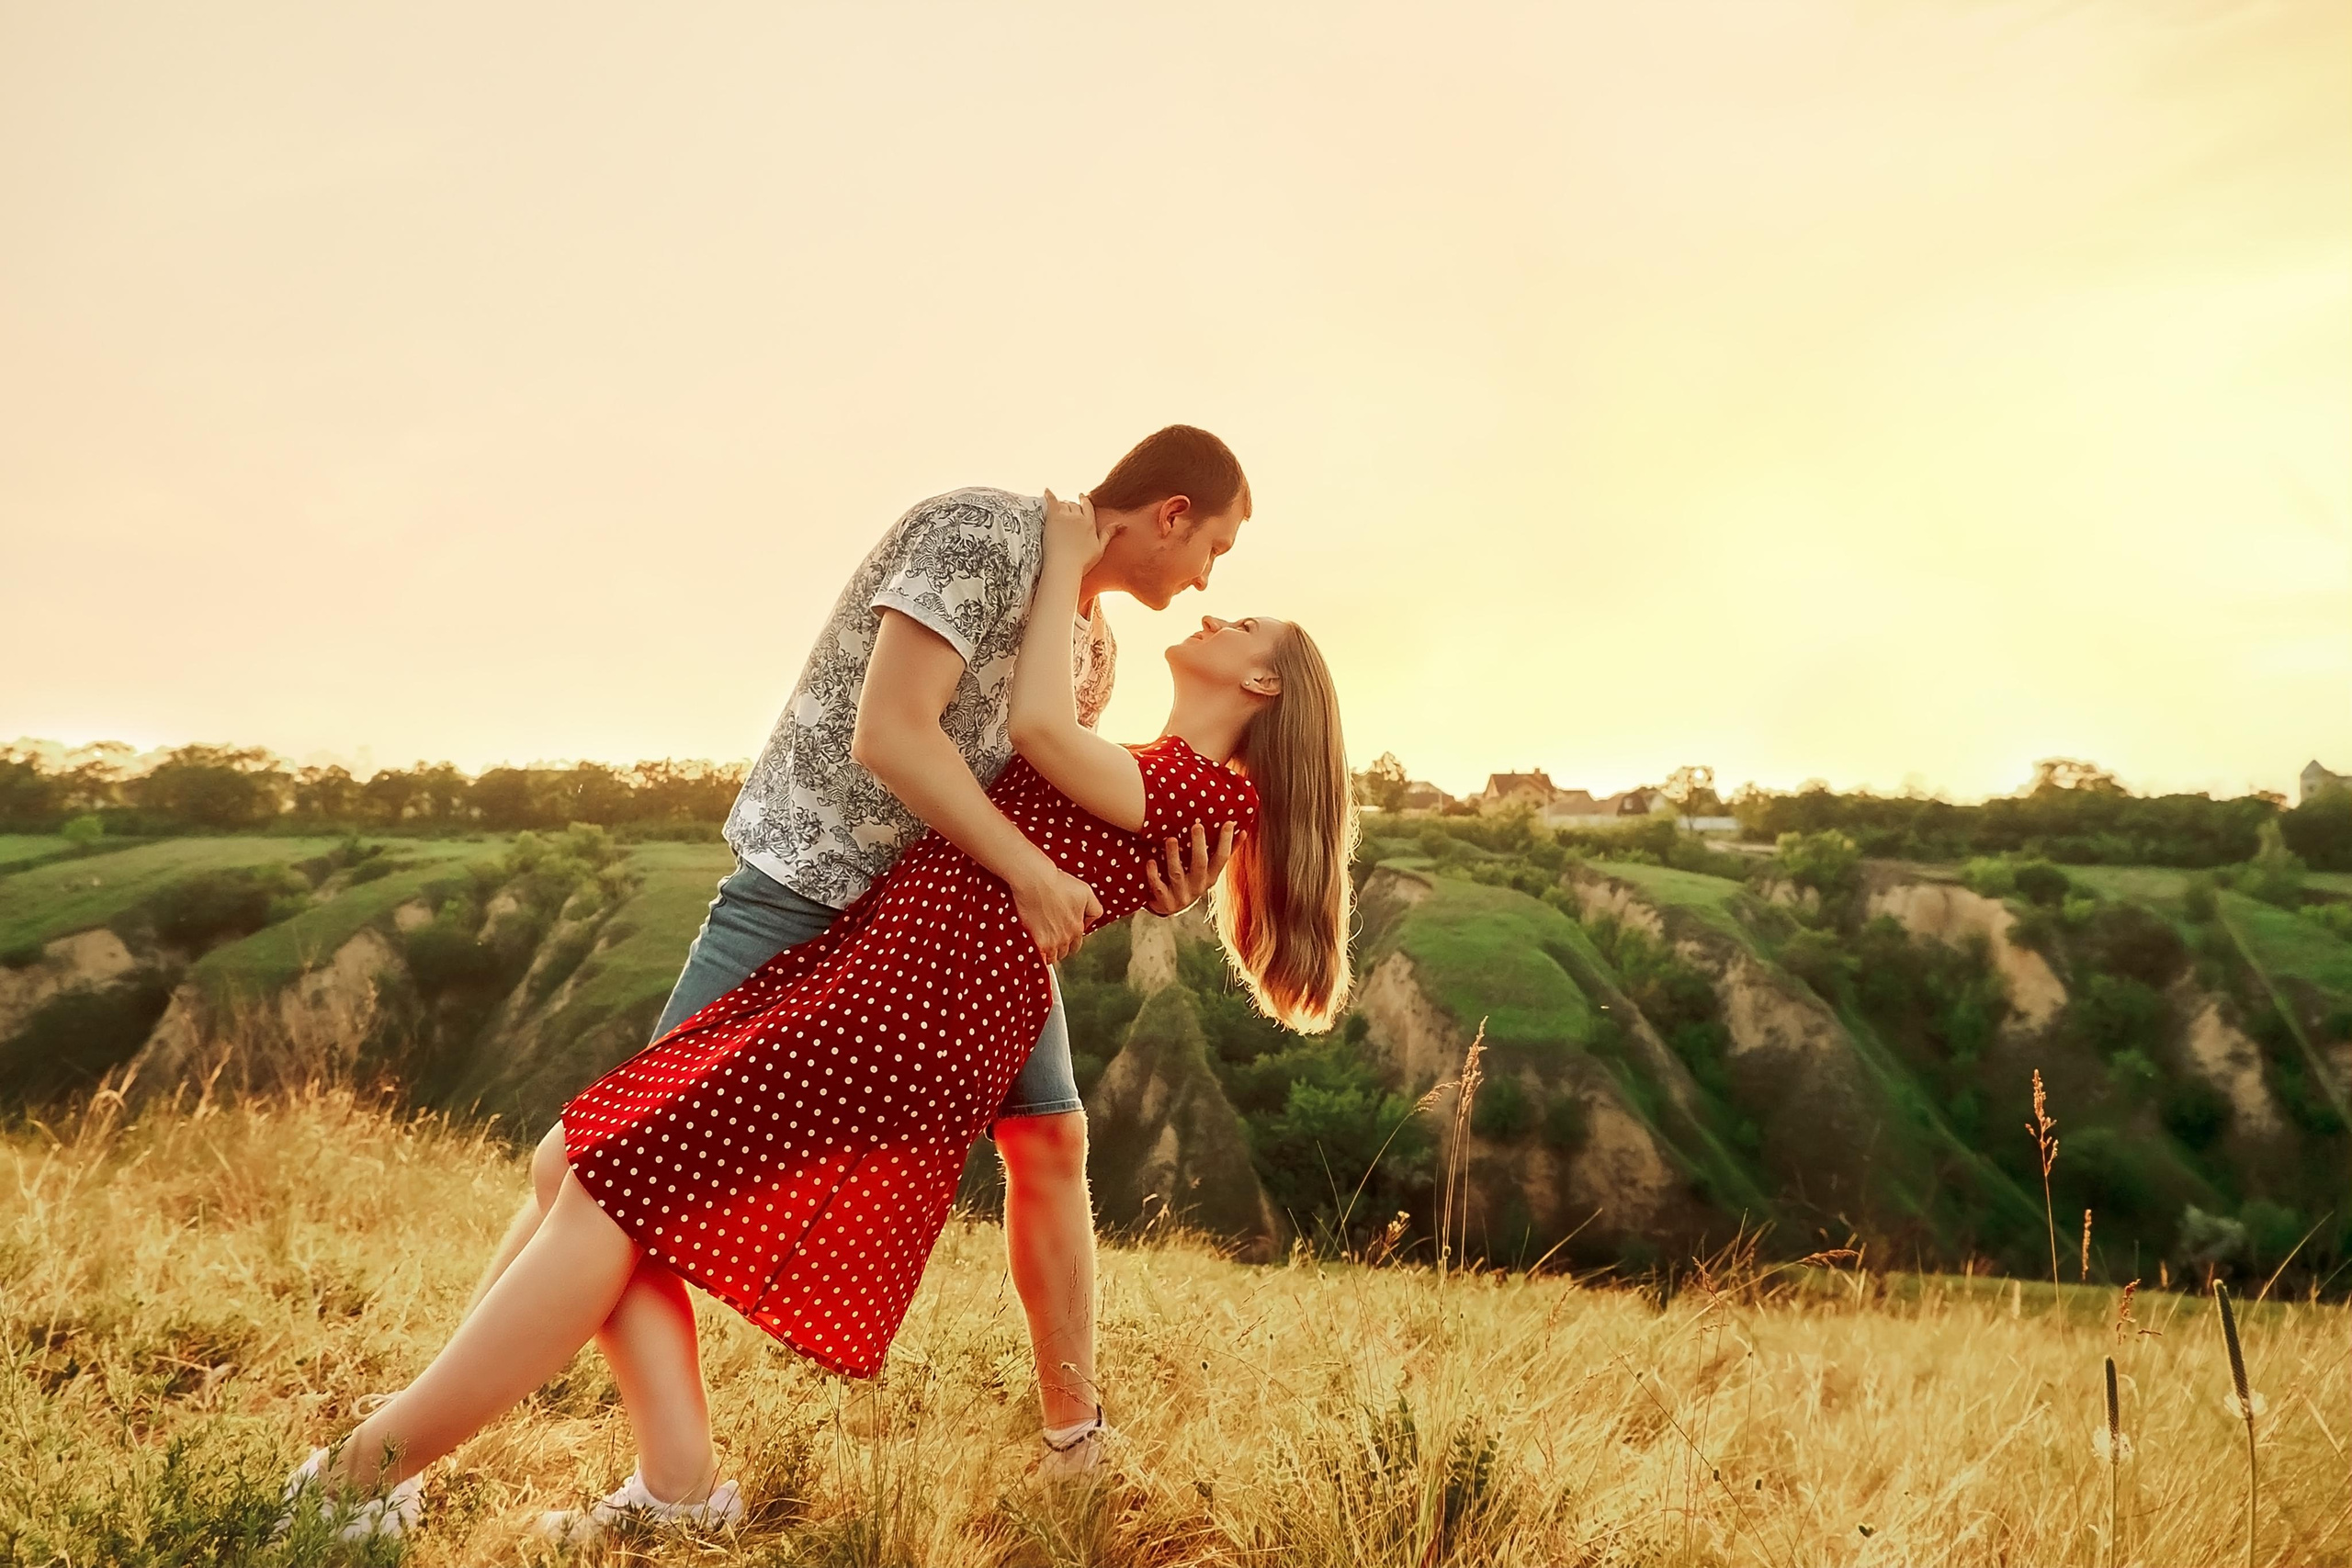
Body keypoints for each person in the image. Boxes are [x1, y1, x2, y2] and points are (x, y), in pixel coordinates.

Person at [282, 490, 1355, 1545]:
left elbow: (1033, 733)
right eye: (1214, 552)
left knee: (609, 1183)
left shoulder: (1187, 790)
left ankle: (369, 1478)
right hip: (883, 968)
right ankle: (660, 1481)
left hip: (911, 998)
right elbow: (1021, 770)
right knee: (587, 1164)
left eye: (1241, 615)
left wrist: (1067, 561)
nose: (1213, 597)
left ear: (1261, 679)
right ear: (1169, 511)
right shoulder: (1164, 774)